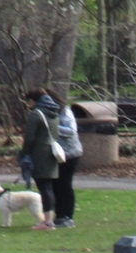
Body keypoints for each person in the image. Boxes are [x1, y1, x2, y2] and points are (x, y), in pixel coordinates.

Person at [19, 88, 62, 231]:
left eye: (29, 101)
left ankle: (47, 223)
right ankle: (49, 220)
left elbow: (29, 138)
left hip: (39, 154)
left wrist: (23, 153)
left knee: (44, 188)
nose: (28, 104)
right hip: (51, 153)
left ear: (33, 100)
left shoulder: (36, 114)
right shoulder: (54, 113)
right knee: (48, 187)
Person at [45, 88, 83, 228]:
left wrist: (53, 127)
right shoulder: (45, 113)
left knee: (65, 185)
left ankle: (68, 216)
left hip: (70, 153)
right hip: (55, 154)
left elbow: (71, 131)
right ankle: (59, 215)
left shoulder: (65, 111)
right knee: (55, 185)